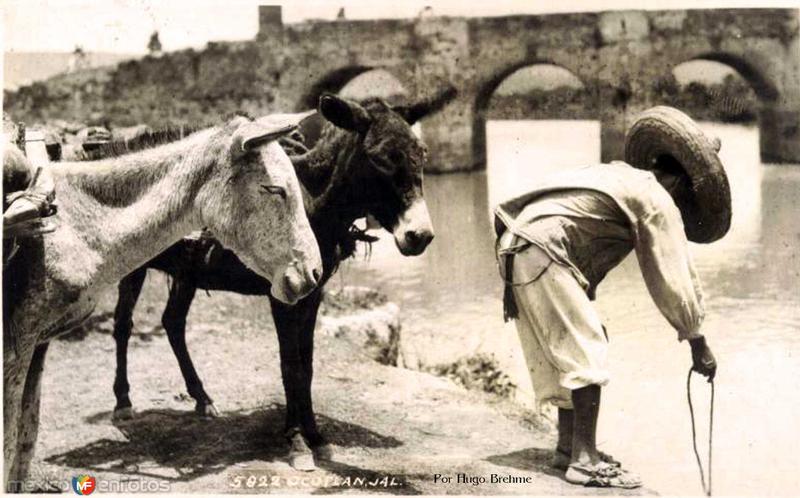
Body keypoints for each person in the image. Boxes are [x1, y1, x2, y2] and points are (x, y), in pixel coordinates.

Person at [494, 106, 729, 489]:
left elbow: (578, 232)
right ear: (682, 183)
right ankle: (584, 461)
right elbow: (672, 275)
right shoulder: (655, 197)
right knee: (585, 350)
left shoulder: (617, 175)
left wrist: (582, 299)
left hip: (516, 243)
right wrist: (696, 340)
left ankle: (568, 449)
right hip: (543, 249)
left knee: (568, 349)